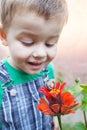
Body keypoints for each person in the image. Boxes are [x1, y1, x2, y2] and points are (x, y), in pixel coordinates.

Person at [0, 0, 68, 130]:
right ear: (4, 36)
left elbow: (51, 100)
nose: (41, 54)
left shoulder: (48, 70)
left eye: (50, 43)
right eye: (28, 42)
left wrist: (54, 119)